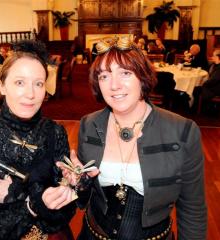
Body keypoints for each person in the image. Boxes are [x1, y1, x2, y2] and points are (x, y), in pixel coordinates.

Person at [57, 35, 207, 239]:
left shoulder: (182, 130)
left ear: (142, 76)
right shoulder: (89, 125)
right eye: (104, 76)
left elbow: (193, 208)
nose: (114, 85)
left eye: (125, 73)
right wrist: (78, 183)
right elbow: (85, 196)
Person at [0, 40, 76, 239]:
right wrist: (34, 205)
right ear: (2, 86)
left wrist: (16, 196)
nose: (30, 94)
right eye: (19, 82)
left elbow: (64, 213)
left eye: (38, 83)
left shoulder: (55, 132)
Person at [192, 49, 220, 113]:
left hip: (215, 89)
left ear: (218, 57)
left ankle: (197, 109)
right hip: (213, 85)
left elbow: (213, 80)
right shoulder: (215, 65)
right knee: (196, 88)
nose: (212, 57)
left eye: (213, 56)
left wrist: (203, 83)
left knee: (196, 90)